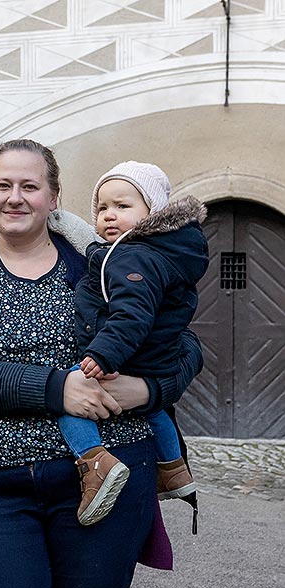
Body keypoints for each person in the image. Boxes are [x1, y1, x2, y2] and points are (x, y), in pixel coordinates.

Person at [0, 139, 203, 588]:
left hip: (112, 476)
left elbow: (184, 344)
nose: (15, 197)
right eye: (2, 185)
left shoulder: (105, 260)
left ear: (53, 199)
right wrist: (58, 390)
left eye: (29, 186)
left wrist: (148, 390)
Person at [60, 161, 208, 526]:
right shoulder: (161, 252)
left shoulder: (133, 255)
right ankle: (173, 469)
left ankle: (96, 463)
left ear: (151, 213)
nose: (109, 216)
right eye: (103, 208)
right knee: (152, 409)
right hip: (158, 358)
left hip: (128, 355)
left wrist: (102, 353)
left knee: (70, 398)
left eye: (122, 207)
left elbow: (132, 314)